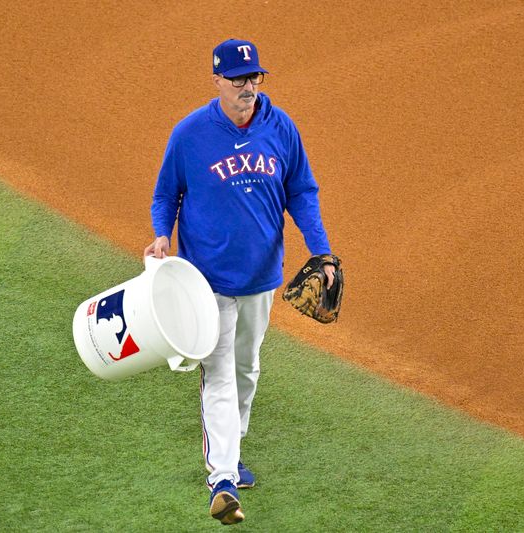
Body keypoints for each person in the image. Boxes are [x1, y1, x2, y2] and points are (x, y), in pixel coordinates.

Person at [143, 38, 336, 525]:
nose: (248, 87)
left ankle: (232, 452)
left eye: (254, 78)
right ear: (217, 81)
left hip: (262, 278)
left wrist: (321, 250)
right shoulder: (190, 135)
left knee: (247, 368)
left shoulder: (280, 127)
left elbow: (302, 192)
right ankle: (222, 478)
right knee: (220, 371)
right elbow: (166, 195)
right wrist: (161, 237)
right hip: (208, 282)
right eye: (238, 80)